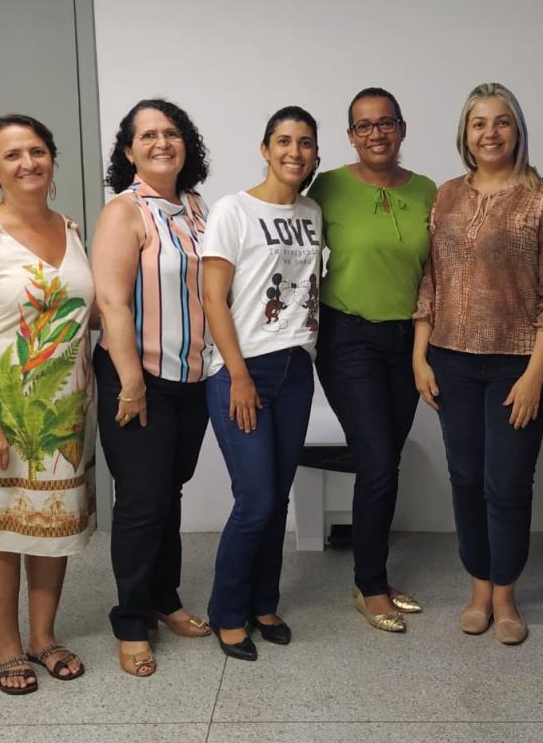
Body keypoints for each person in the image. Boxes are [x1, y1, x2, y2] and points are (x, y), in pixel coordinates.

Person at [413, 83, 543, 645]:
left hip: (518, 364)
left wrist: (535, 375)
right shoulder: (447, 195)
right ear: (465, 133)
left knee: (506, 483)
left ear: (518, 130)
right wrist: (420, 355)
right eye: (479, 123)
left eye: (502, 122)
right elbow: (431, 282)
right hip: (451, 359)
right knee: (465, 478)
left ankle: (506, 596)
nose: (491, 133)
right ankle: (478, 589)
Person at [0, 114, 94, 694]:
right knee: (1, 531)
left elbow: (82, 314)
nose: (28, 163)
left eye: (37, 151)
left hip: (63, 415)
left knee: (51, 529)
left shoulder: (72, 229)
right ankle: (6, 646)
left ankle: (44, 637)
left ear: (52, 159)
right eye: (12, 155)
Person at [307, 87, 436, 633]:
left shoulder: (427, 190)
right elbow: (293, 255)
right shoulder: (327, 187)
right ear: (351, 136)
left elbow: (433, 274)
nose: (376, 133)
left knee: (388, 461)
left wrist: (423, 349)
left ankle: (373, 575)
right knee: (378, 459)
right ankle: (370, 584)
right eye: (364, 125)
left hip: (406, 342)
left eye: (386, 123)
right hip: (348, 339)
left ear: (402, 129)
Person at [92, 99, 212, 677]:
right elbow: (112, 301)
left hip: (191, 378)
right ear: (129, 151)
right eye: (148, 135)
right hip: (138, 379)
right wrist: (132, 382)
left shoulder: (196, 207)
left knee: (170, 494)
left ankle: (165, 599)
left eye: (171, 133)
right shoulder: (124, 211)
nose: (162, 143)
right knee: (141, 503)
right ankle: (132, 622)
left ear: (186, 144)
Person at [202, 106, 322, 661]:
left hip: (296, 369)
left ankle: (263, 603)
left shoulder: (312, 212)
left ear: (315, 153)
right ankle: (226, 612)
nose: (294, 152)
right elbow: (212, 298)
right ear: (265, 148)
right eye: (284, 141)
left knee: (276, 497)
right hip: (243, 369)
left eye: (305, 142)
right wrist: (239, 375)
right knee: (255, 499)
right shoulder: (233, 210)